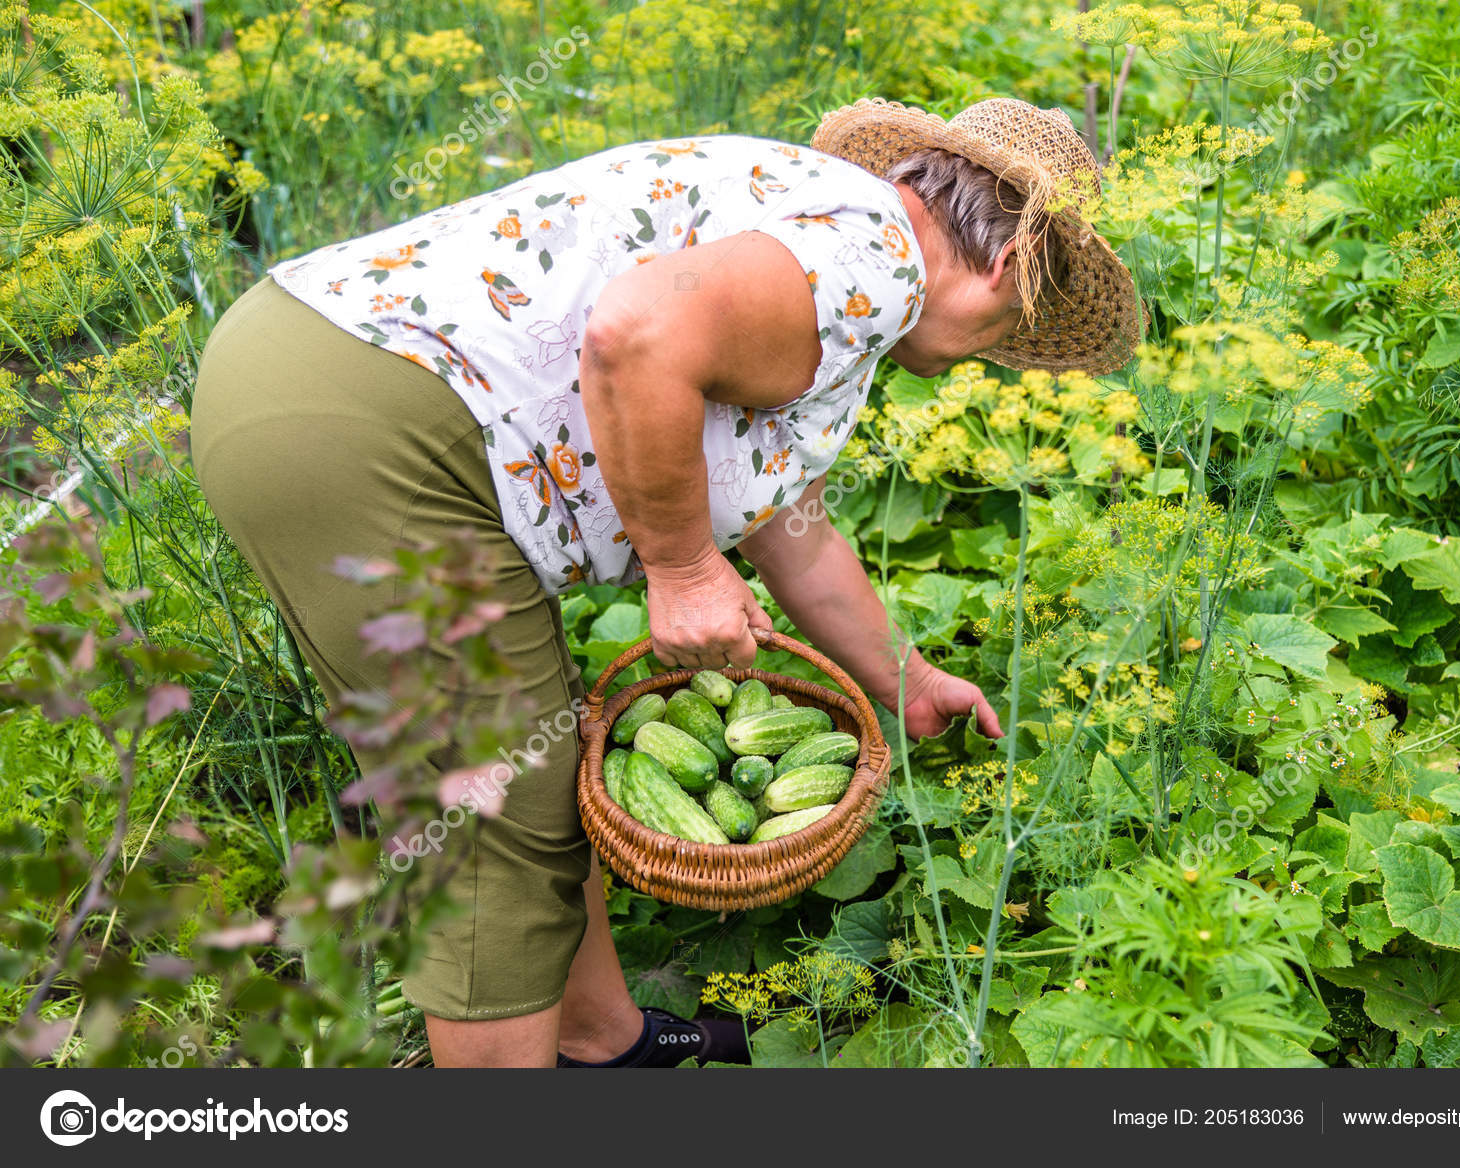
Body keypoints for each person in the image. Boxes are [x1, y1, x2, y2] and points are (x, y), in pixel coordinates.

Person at [188, 96, 1139, 1068]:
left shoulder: (825, 245)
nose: (997, 354)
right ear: (1010, 266)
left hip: (317, 373)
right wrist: (681, 568)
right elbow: (635, 335)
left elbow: (788, 525)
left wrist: (904, 676)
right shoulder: (876, 266)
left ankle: (602, 1041)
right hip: (364, 425)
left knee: (537, 768)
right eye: (1019, 325)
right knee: (495, 818)